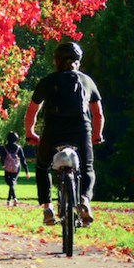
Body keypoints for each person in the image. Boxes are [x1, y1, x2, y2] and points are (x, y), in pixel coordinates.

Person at [24, 41, 104, 227]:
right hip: (81, 129)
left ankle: (47, 207)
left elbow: (32, 111)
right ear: (78, 61)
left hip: (53, 131)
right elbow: (98, 114)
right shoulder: (87, 81)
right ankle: (84, 199)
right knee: (87, 168)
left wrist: (30, 133)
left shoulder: (48, 81)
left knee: (43, 166)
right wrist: (97, 135)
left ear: (57, 61)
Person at [1, 132, 29, 206]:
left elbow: (2, 157)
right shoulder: (18, 148)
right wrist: (27, 171)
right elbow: (23, 159)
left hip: (7, 167)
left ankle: (11, 199)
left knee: (10, 182)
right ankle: (11, 200)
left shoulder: (5, 147)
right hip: (16, 167)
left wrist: (3, 164)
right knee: (12, 183)